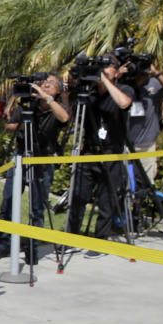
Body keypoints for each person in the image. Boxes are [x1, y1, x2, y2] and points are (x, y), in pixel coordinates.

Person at [0, 74, 70, 264]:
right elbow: (9, 127)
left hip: (43, 160)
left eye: (50, 85)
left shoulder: (57, 108)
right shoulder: (27, 106)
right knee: (8, 201)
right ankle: (3, 243)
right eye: (43, 84)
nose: (45, 86)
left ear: (58, 91)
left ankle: (32, 246)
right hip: (20, 158)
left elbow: (65, 118)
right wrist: (22, 126)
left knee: (37, 207)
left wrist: (47, 99)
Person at [65, 57, 133, 256]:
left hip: (112, 152)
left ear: (116, 70)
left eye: (107, 67)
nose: (102, 70)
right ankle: (70, 239)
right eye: (99, 68)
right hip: (89, 152)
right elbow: (73, 118)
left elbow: (124, 103)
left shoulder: (123, 89)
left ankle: (101, 241)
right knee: (78, 196)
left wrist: (106, 82)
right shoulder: (89, 94)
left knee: (106, 199)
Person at [125, 64, 163, 183]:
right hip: (124, 144)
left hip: (146, 145)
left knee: (144, 185)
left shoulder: (154, 83)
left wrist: (157, 73)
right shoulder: (123, 82)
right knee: (123, 185)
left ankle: (140, 202)